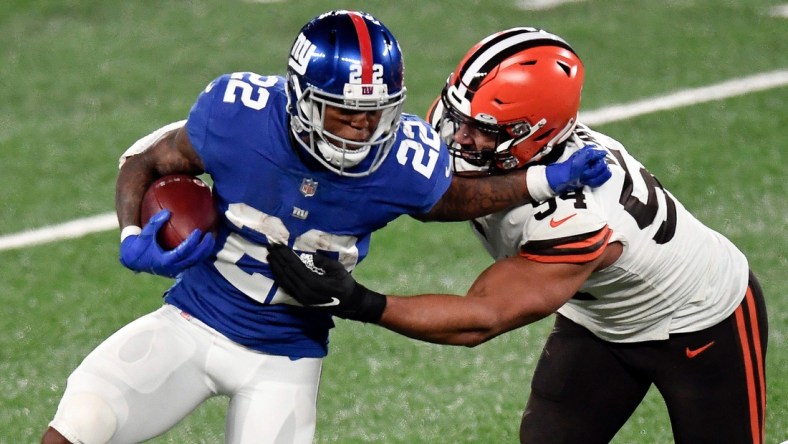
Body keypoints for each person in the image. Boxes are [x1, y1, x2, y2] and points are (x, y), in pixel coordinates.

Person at [40, 13, 611, 444]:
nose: (364, 128)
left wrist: (543, 180)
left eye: (378, 111)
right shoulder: (237, 115)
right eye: (345, 112)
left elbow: (453, 198)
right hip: (191, 319)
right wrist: (130, 236)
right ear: (301, 99)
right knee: (83, 418)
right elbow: (147, 163)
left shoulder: (402, 160)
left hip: (286, 355)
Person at [267, 27, 768, 444]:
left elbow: (479, 319)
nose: (458, 137)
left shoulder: (579, 215)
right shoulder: (467, 126)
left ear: (537, 135)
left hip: (700, 321)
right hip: (600, 316)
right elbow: (434, 192)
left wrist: (359, 301)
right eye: (458, 116)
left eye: (482, 130)